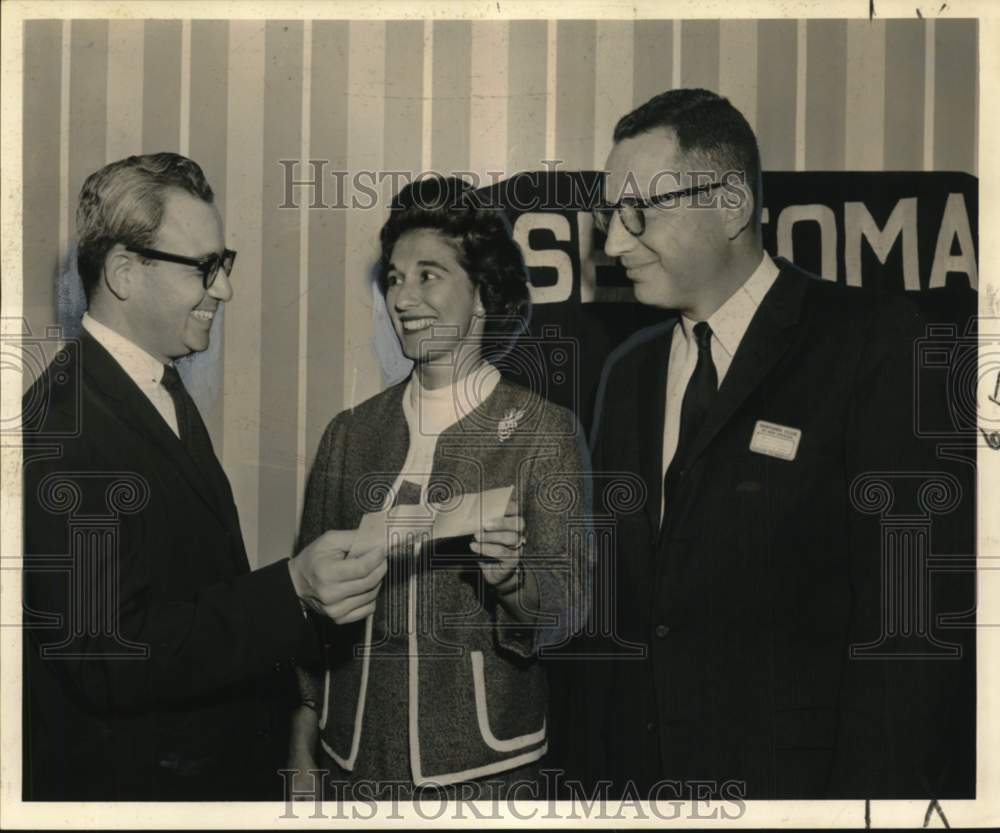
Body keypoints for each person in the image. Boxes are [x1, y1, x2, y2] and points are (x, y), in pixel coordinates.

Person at [579, 89, 974, 799]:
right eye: (609, 216)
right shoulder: (627, 372)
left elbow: (909, 631)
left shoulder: (873, 340)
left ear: (731, 203)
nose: (612, 243)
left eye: (641, 211)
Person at [21, 153, 388, 800]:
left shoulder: (151, 383)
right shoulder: (67, 424)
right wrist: (291, 590)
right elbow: (109, 654)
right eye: (205, 268)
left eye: (226, 264)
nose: (225, 290)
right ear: (124, 273)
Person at [288, 176, 589, 799]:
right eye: (394, 278)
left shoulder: (543, 430)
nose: (403, 296)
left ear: (482, 295)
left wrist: (513, 580)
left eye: (429, 275)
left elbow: (570, 609)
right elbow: (307, 613)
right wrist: (301, 746)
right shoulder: (349, 433)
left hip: (485, 772)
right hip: (351, 764)